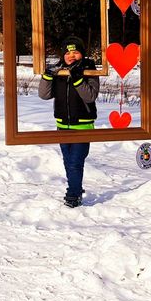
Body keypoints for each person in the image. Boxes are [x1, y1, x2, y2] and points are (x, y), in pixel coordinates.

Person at [38, 35, 100, 207]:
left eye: (76, 52)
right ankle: (76, 188)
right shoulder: (60, 71)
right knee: (68, 162)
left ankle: (73, 195)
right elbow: (44, 95)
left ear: (82, 54)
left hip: (83, 125)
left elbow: (90, 96)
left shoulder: (89, 70)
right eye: (67, 53)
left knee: (75, 162)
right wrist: (48, 76)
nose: (71, 55)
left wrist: (78, 78)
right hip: (62, 125)